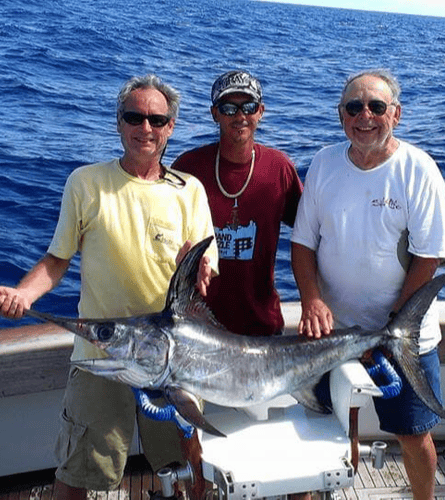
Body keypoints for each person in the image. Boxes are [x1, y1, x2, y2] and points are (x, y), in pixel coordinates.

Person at [0, 74, 218, 499]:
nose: (144, 128)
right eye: (134, 116)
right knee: (77, 475)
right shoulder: (85, 183)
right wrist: (24, 294)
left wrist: (201, 266)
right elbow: (57, 261)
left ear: (170, 127)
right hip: (100, 356)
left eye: (156, 119)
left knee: (185, 470)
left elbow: (205, 269)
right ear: (118, 123)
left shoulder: (190, 192)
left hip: (172, 362)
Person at [291, 69, 445, 500]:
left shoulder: (419, 170)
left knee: (413, 434)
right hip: (334, 334)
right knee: (328, 428)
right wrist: (310, 299)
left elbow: (429, 257)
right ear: (340, 115)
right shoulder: (325, 162)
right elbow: (303, 243)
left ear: (396, 114)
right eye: (353, 107)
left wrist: (391, 327)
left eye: (376, 106)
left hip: (402, 336)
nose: (364, 115)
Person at [172, 70, 303, 498]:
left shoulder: (280, 168)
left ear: (261, 113)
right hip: (196, 333)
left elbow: (312, 236)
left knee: (272, 445)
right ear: (215, 114)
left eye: (248, 106)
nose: (239, 115)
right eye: (228, 107)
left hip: (260, 327)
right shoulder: (188, 167)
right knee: (195, 442)